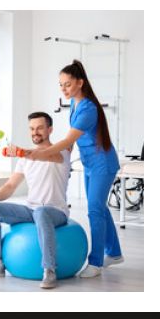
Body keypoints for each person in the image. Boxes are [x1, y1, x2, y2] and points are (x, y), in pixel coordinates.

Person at [26, 60, 124, 278]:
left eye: (67, 84)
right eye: (61, 84)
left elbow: (68, 139)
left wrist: (40, 153)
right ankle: (114, 253)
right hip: (90, 163)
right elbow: (71, 143)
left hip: (102, 164)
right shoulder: (74, 104)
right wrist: (62, 160)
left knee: (95, 210)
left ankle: (96, 262)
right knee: (99, 207)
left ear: (80, 83)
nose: (63, 89)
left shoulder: (88, 108)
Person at [0, 112, 71, 289]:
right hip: (31, 210)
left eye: (40, 128)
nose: (35, 132)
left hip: (56, 211)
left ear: (50, 129)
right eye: (32, 128)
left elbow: (46, 155)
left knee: (41, 212)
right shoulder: (25, 159)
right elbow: (10, 186)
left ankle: (49, 269)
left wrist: (22, 152)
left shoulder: (61, 152)